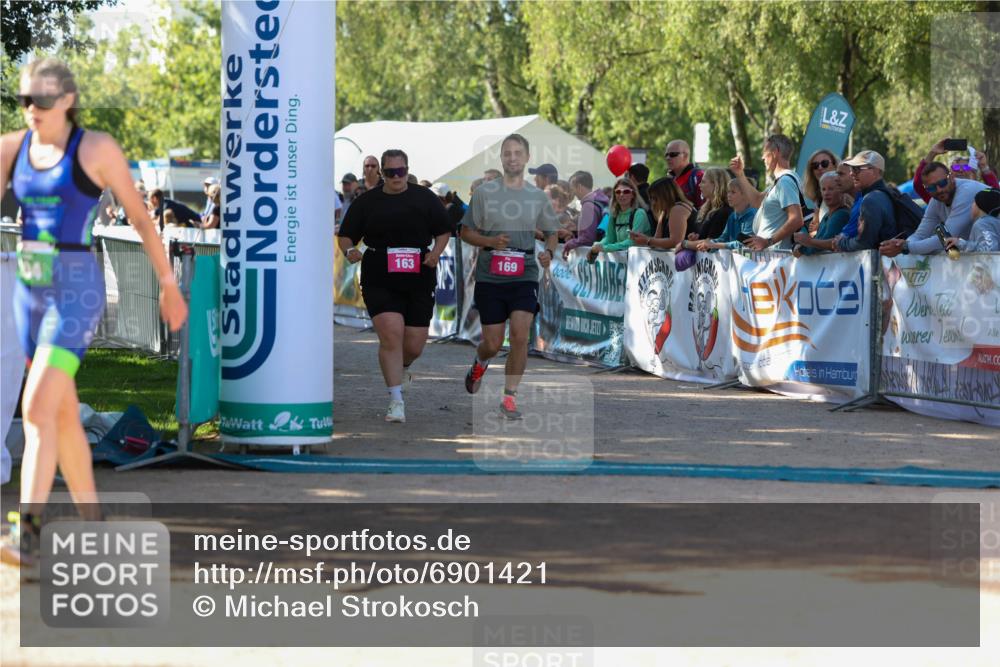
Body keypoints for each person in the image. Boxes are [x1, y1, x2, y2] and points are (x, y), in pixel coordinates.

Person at [0, 57, 187, 564]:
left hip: (75, 294)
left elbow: (144, 222)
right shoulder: (13, 148)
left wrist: (168, 284)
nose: (29, 110)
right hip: (29, 294)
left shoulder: (96, 148)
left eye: (39, 100)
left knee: (37, 404)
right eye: (23, 100)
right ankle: (96, 526)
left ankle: (28, 530)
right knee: (59, 415)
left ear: (66, 101)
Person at [336, 149, 452, 423]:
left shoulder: (424, 197)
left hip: (418, 274)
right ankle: (396, 400)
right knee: (391, 335)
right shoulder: (367, 201)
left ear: (407, 169)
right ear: (381, 173)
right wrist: (350, 251)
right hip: (379, 273)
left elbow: (444, 230)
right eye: (390, 172)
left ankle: (404, 367)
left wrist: (436, 253)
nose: (396, 177)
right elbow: (346, 237)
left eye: (401, 171)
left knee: (414, 344)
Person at [460, 133, 559, 420]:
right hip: (491, 276)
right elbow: (465, 232)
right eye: (507, 153)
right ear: (502, 158)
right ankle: (480, 362)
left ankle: (509, 397)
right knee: (492, 342)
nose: (512, 157)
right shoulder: (484, 193)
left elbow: (551, 233)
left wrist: (548, 254)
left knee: (519, 335)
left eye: (518, 153)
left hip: (524, 273)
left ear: (527, 158)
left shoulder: (537, 196)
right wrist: (489, 243)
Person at [881, 160, 989, 257]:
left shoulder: (966, 191)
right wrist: (902, 244)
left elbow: (945, 239)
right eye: (931, 188)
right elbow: (920, 235)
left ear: (951, 177)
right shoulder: (936, 200)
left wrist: (906, 247)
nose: (939, 190)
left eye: (942, 183)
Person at [730, 134, 805, 250]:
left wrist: (768, 241)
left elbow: (796, 219)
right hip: (770, 258)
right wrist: (740, 174)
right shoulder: (780, 182)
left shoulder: (785, 182)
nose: (762, 158)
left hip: (777, 260)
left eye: (765, 152)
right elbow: (756, 200)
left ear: (775, 152)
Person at [832, 150, 899, 252]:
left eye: (857, 169)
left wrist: (841, 243)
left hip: (882, 264)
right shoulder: (885, 193)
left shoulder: (871, 200)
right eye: (851, 169)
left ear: (874, 171)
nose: (852, 173)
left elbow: (864, 243)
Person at [912, 139, 999, 203]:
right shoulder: (942, 196)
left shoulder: (981, 194)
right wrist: (932, 153)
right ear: (950, 175)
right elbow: (918, 184)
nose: (960, 170)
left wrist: (984, 167)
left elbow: (997, 196)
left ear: (975, 175)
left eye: (966, 167)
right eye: (956, 168)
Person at [587, 178, 650, 260]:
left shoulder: (639, 213)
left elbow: (633, 242)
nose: (621, 194)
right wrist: (597, 245)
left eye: (626, 191)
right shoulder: (613, 215)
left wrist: (605, 248)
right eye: (618, 192)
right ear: (615, 195)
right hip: (623, 263)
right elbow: (610, 238)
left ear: (633, 195)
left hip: (639, 262)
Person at [628, 176, 695, 251]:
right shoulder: (665, 212)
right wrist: (642, 238)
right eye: (651, 198)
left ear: (666, 196)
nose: (653, 203)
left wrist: (647, 240)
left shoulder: (678, 209)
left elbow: (676, 241)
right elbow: (656, 240)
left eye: (655, 198)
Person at [793, 172, 850, 255]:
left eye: (831, 189)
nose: (826, 193)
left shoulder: (841, 215)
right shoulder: (827, 215)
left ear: (841, 191)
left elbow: (821, 246)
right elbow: (817, 240)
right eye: (823, 189)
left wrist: (802, 249)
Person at [694, 179, 758, 251]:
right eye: (728, 192)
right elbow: (724, 238)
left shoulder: (752, 215)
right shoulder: (732, 216)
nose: (728, 195)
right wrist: (707, 244)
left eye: (733, 192)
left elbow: (743, 244)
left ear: (746, 195)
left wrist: (713, 245)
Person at [561, 170, 609, 257]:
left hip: (592, 257)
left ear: (579, 187)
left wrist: (570, 244)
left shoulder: (588, 205)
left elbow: (588, 239)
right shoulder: (599, 201)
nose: (573, 193)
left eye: (572, 189)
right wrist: (574, 235)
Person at [945, 188, 1000, 252]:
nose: (971, 205)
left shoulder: (983, 224)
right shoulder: (995, 223)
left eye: (974, 202)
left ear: (980, 205)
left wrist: (961, 244)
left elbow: (990, 250)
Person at [687, 167, 731, 241]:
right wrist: (696, 237)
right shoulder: (706, 209)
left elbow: (711, 244)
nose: (699, 185)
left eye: (703, 182)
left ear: (716, 185)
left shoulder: (724, 211)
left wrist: (684, 244)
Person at [664, 139, 705, 208]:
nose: (668, 158)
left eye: (673, 154)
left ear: (685, 156)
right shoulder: (670, 179)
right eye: (666, 155)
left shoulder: (698, 177)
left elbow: (703, 210)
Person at [802, 148, 839, 213]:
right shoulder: (818, 198)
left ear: (834, 165)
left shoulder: (844, 193)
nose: (820, 168)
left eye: (824, 163)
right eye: (815, 165)